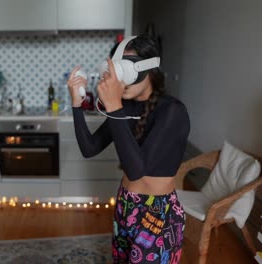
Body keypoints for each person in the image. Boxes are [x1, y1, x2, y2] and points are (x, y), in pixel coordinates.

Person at [67, 34, 190, 264]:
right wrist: (76, 104)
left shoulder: (172, 111)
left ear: (149, 69)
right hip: (125, 204)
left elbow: (136, 169)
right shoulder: (126, 108)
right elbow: (89, 148)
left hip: (157, 213)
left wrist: (114, 106)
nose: (118, 80)